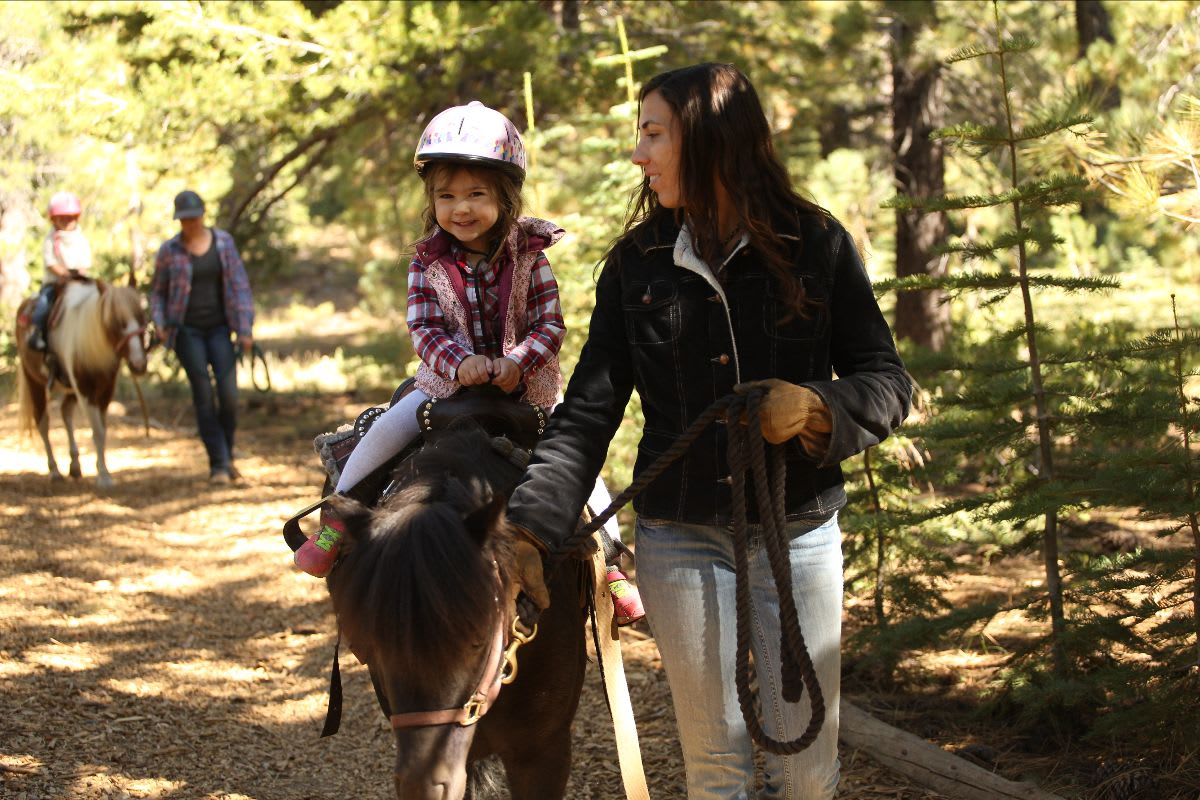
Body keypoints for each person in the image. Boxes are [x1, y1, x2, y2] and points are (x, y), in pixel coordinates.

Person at [505, 63, 912, 799]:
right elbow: (588, 413)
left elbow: (887, 383)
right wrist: (528, 531)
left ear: (712, 138)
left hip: (800, 531)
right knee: (716, 767)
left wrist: (816, 408)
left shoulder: (816, 244)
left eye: (653, 134)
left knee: (808, 770)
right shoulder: (635, 267)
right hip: (680, 535)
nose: (639, 154)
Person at [293, 101, 645, 627]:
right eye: (446, 195)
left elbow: (551, 323)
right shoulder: (425, 263)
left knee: (574, 457)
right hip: (444, 388)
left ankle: (611, 561)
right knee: (385, 432)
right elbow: (424, 329)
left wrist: (517, 362)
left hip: (525, 392)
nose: (461, 208)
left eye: (477, 195)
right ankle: (340, 516)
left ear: (505, 198)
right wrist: (460, 365)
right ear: (431, 199)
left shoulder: (532, 256)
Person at [149, 190, 255, 485]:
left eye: (193, 218)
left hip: (221, 327)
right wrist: (159, 322)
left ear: (202, 215)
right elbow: (157, 291)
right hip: (186, 330)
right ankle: (219, 464)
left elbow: (240, 285)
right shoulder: (169, 250)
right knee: (203, 394)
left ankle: (227, 454)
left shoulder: (223, 243)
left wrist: (245, 328)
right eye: (184, 220)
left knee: (229, 395)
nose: (190, 224)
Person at [27, 191, 93, 363]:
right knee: (43, 303)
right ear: (53, 219)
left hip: (78, 282)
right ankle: (37, 332)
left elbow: (85, 261)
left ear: (76, 218)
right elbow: (51, 263)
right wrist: (64, 275)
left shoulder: (80, 239)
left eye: (70, 217)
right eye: (61, 217)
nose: (66, 221)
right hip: (55, 283)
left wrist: (78, 274)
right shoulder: (51, 239)